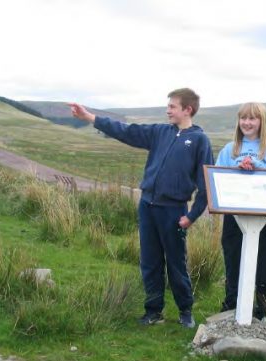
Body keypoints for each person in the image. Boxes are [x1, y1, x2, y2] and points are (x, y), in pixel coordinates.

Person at [69, 88, 214, 328]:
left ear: (188, 109)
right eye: (168, 106)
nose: (167, 110)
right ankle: (153, 310)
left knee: (176, 263)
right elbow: (126, 131)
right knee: (150, 261)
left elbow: (206, 185)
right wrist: (89, 117)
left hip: (174, 211)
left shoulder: (199, 140)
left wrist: (191, 216)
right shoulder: (159, 132)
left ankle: (185, 312)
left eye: (172, 106)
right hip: (147, 206)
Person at [215, 102, 266, 321]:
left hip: (263, 218)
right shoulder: (230, 149)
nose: (247, 123)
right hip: (234, 216)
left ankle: (263, 310)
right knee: (233, 259)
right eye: (243, 118)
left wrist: (260, 168)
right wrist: (234, 169)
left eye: (252, 118)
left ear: (261, 122)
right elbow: (217, 178)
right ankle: (231, 306)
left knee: (263, 262)